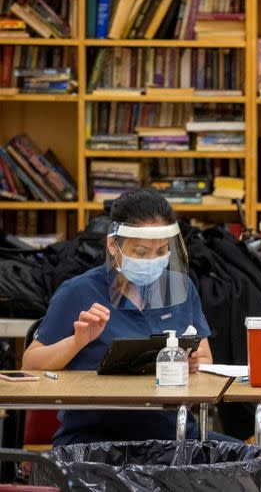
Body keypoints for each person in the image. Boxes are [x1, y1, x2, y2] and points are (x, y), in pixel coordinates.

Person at [22, 189, 217, 445]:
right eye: (141, 251)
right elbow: (30, 364)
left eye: (161, 251)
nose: (153, 260)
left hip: (174, 436)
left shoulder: (181, 289)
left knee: (251, 470)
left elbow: (205, 360)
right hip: (97, 440)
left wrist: (195, 365)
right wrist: (77, 341)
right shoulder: (79, 291)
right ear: (113, 245)